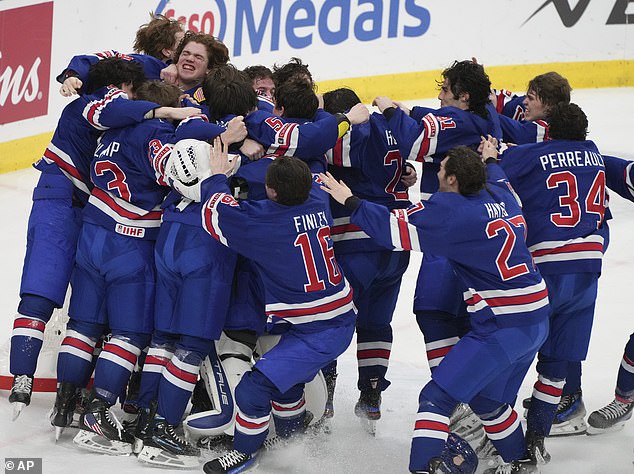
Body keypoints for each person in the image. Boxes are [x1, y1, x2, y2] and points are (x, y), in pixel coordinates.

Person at [320, 143, 550, 474]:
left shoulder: (451, 214)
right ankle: (521, 461)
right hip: (537, 316)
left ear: (453, 180)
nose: (436, 173)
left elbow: (391, 230)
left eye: (441, 170)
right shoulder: (502, 193)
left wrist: (350, 200)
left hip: (503, 325)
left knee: (435, 397)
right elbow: (497, 174)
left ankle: (423, 469)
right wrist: (489, 159)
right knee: (487, 402)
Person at [195, 146, 357, 474]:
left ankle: (244, 453)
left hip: (320, 331)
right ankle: (293, 444)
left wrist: (217, 174)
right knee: (287, 386)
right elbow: (302, 175)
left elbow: (214, 213)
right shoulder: (316, 197)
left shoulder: (264, 222)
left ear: (271, 191)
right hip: (333, 319)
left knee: (253, 389)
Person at [8, 58, 154, 420]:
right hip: (59, 201)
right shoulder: (95, 103)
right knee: (42, 288)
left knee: (86, 303)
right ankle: (23, 376)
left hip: (88, 211)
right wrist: (165, 108)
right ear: (121, 86)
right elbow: (111, 105)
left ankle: (67, 391)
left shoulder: (102, 99)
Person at [496, 103, 608, 464]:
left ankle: (494, 429)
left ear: (549, 131)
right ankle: (536, 440)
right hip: (588, 272)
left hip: (546, 269)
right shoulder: (596, 157)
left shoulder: (534, 154)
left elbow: (492, 171)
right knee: (557, 364)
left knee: (515, 351)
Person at [319, 87, 413, 434]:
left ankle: (324, 396)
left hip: (357, 240)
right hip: (395, 246)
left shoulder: (351, 132)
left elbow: (322, 142)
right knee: (376, 322)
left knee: (333, 319)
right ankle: (371, 394)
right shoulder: (393, 130)